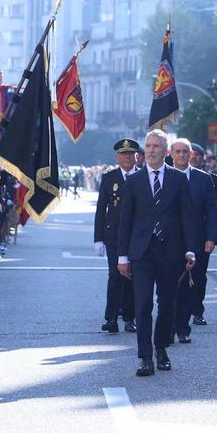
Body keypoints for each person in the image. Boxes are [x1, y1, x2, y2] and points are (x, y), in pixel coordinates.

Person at [116, 129, 197, 377]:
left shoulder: (178, 179)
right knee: (143, 304)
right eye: (148, 146)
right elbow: (125, 221)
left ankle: (161, 349)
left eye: (156, 146)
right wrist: (122, 257)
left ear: (166, 151)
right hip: (142, 252)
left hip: (171, 251)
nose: (151, 151)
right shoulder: (134, 181)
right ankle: (145, 357)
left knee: (166, 304)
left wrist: (190, 250)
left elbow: (187, 216)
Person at [170, 138, 217, 343]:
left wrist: (211, 237)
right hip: (169, 240)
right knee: (169, 285)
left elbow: (212, 209)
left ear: (191, 155)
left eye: (185, 152)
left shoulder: (203, 179)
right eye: (178, 151)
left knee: (190, 285)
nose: (182, 155)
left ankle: (183, 328)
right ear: (171, 154)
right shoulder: (163, 175)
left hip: (197, 240)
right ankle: (168, 327)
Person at [94, 138, 139, 333]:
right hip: (113, 235)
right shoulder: (109, 178)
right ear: (117, 157)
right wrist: (98, 238)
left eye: (130, 154)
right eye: (123, 154)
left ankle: (129, 318)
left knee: (132, 278)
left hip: (136, 235)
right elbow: (101, 210)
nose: (127, 157)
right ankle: (111, 318)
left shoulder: (143, 176)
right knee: (115, 276)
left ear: (136, 156)